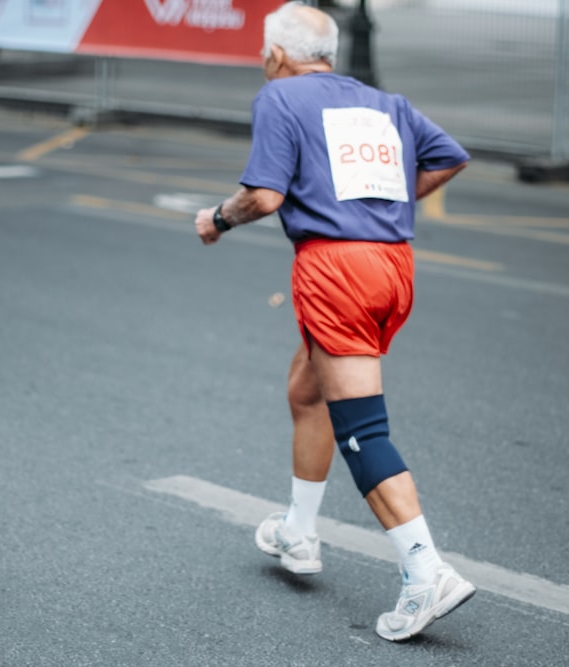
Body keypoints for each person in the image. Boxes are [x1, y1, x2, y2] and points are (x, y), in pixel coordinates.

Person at [193, 2, 474, 643]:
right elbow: (449, 156)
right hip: (392, 264)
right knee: (307, 389)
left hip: (335, 270)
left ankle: (425, 569)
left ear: (277, 54)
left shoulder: (279, 97)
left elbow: (264, 196)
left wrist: (218, 219)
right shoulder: (384, 103)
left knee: (361, 429)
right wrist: (383, 209)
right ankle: (298, 531)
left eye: (265, 52)